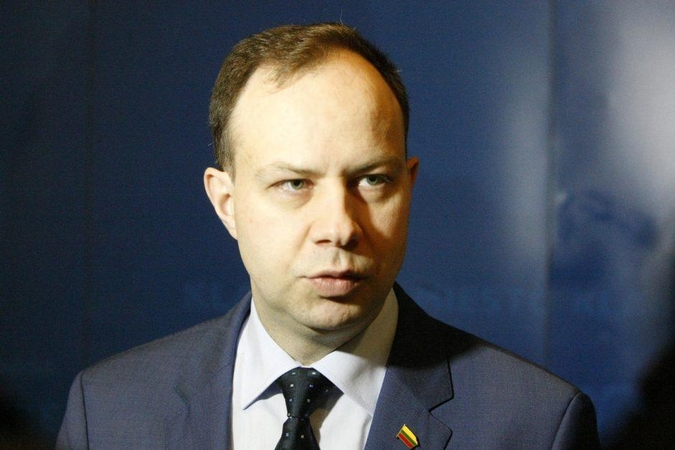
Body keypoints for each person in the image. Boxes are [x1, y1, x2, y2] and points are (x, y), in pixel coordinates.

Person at [57, 22, 600, 449]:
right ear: (227, 203)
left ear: (408, 187)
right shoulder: (107, 414)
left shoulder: (535, 425)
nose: (340, 227)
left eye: (373, 180)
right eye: (294, 184)